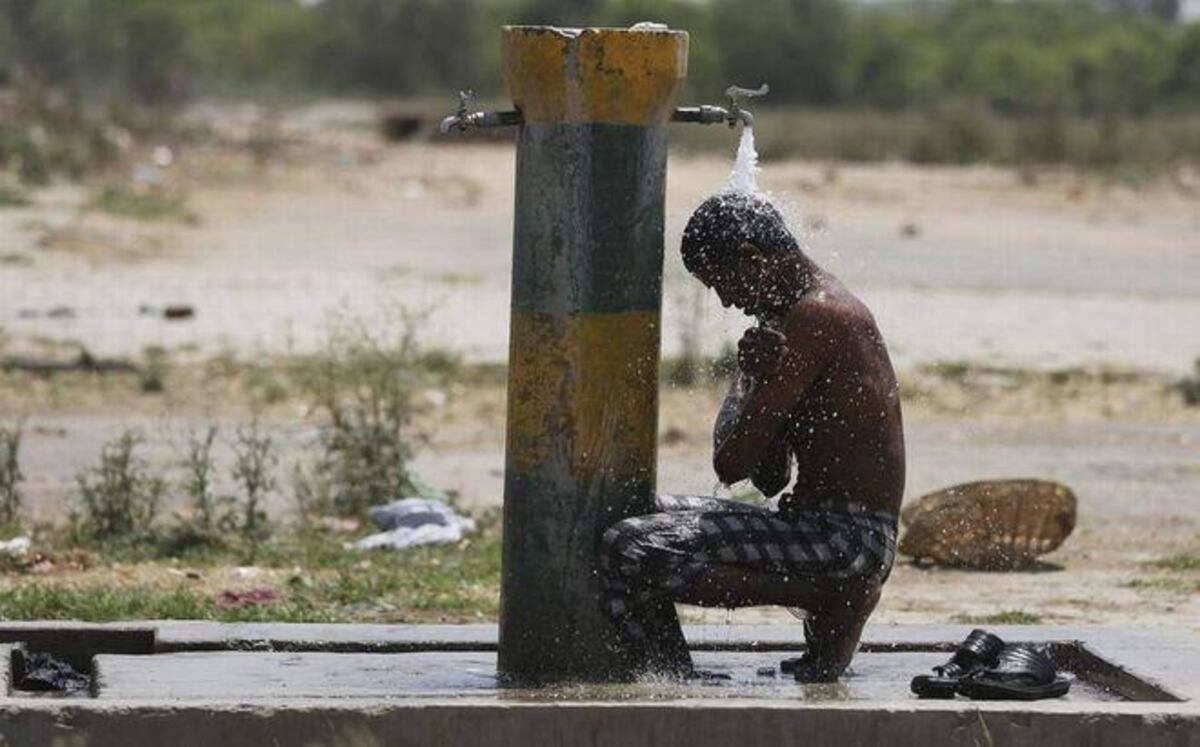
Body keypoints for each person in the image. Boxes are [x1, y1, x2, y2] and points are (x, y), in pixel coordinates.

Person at [600, 192, 905, 682]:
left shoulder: (818, 316)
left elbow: (731, 466)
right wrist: (755, 380)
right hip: (816, 528)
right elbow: (768, 476)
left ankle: (832, 596)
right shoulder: (787, 319)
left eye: (723, 283)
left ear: (754, 261)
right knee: (625, 509)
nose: (727, 301)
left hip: (849, 541)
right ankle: (671, 682)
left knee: (630, 546)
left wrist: (753, 383)